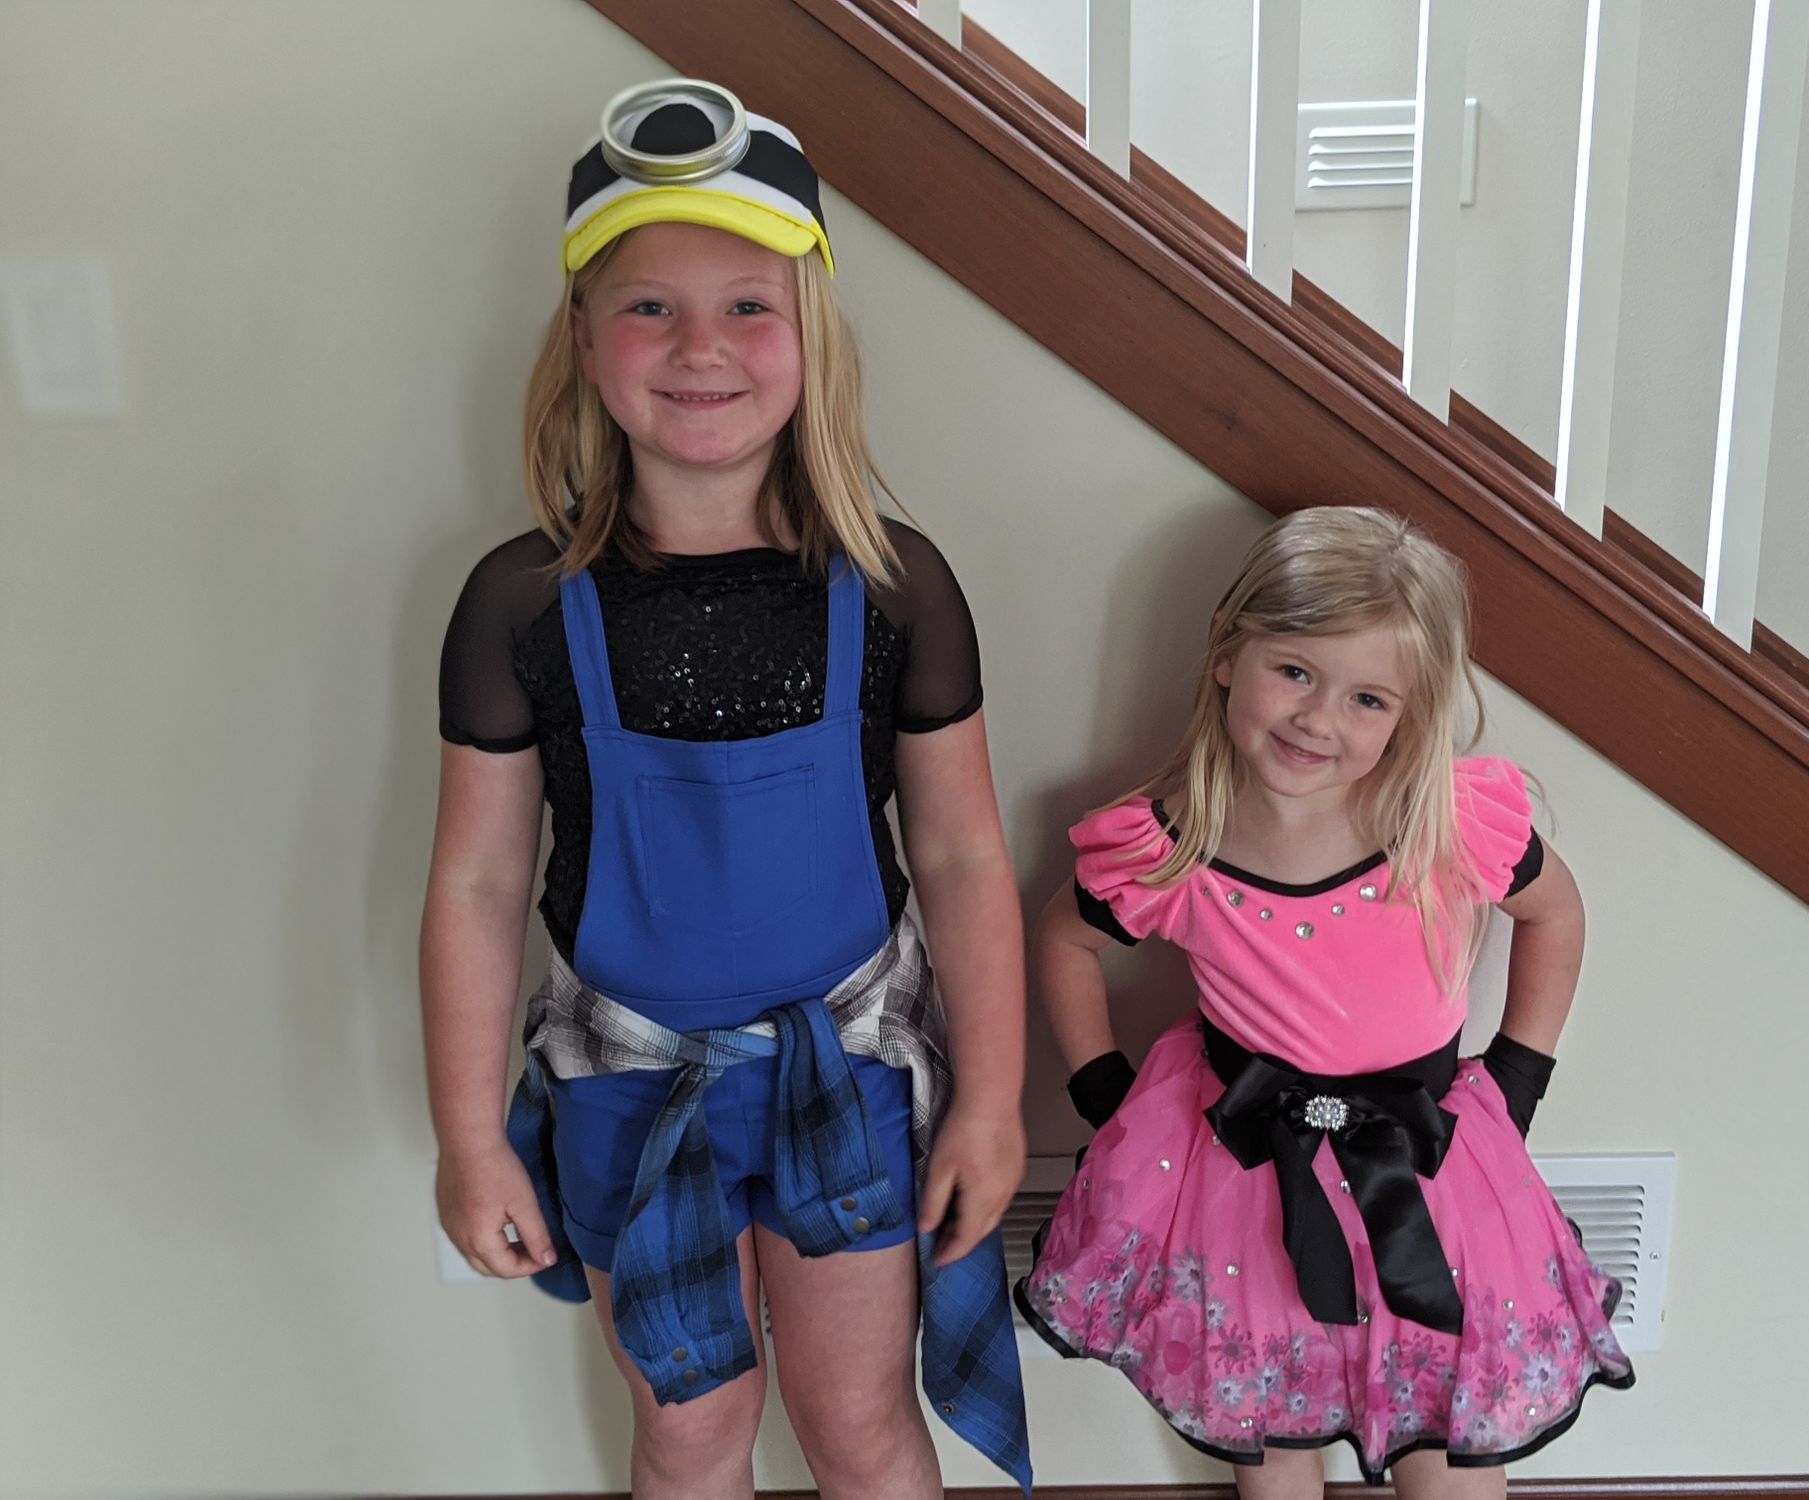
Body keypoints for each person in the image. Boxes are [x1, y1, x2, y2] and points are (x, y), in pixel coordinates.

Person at [419, 79, 1030, 1500]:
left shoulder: (894, 585)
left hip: (848, 1079)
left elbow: (959, 857)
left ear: (810, 335)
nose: (700, 347)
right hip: (625, 1087)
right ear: (584, 339)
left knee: (858, 1422)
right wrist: (467, 1139)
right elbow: (478, 881)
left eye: (749, 306)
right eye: (650, 307)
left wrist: (992, 1103)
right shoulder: (517, 603)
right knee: (690, 1433)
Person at [1017, 506, 1631, 1497]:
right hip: (1243, 1170)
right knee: (1268, 1423)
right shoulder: (1172, 843)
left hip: (1429, 1163)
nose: (1317, 720)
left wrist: (1518, 1075)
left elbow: (1553, 911)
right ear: (1229, 653)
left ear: (1409, 715)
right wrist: (1106, 1093)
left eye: (1366, 699)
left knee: (1450, 1435)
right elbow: (1064, 938)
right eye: (1294, 672)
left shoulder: (1442, 824)